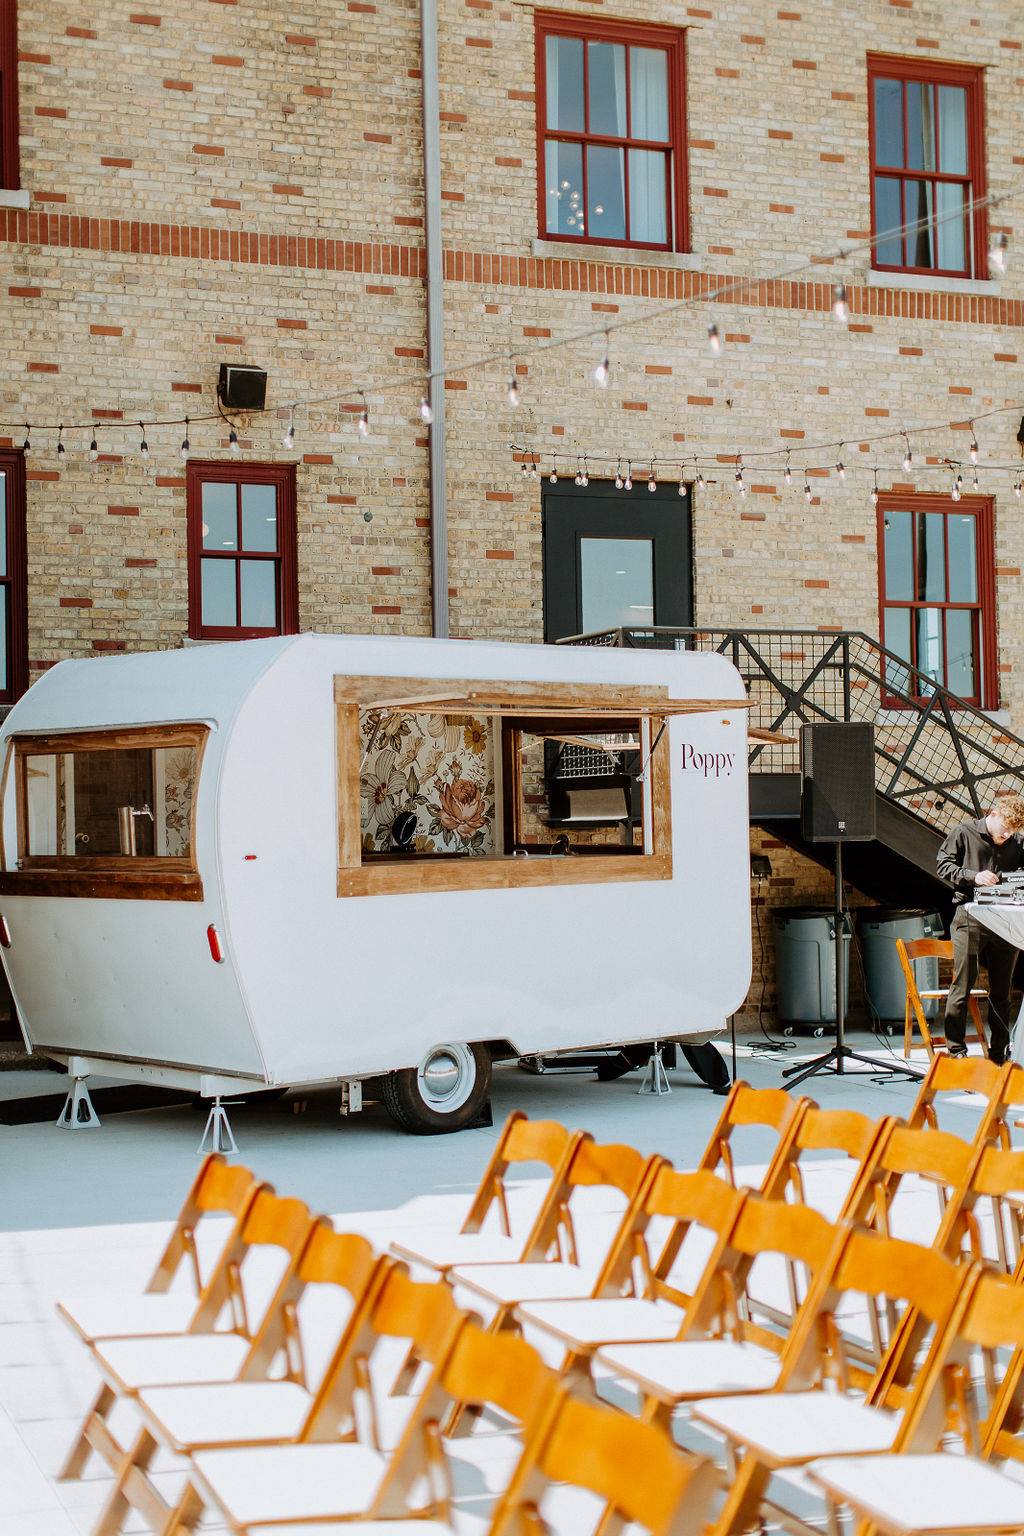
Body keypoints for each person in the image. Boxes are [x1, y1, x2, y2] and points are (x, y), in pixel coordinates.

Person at [936, 796, 1024, 1062]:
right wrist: (974, 876)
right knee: (962, 984)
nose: (1005, 835)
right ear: (993, 814)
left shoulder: (1017, 841)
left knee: (1001, 990)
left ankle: (999, 1053)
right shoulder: (963, 832)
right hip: (969, 916)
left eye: (1011, 831)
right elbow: (943, 865)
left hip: (1005, 920)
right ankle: (956, 1052)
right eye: (1003, 829)